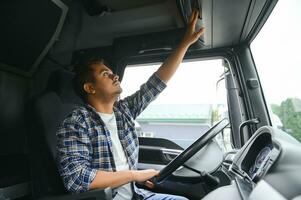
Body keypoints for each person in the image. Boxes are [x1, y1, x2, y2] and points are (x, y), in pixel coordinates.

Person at [56, 10, 204, 200]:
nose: (114, 75)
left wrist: (184, 43)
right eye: (105, 74)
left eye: (111, 72)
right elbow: (76, 179)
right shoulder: (76, 122)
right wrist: (135, 175)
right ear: (90, 88)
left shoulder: (123, 112)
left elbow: (156, 83)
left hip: (136, 195)